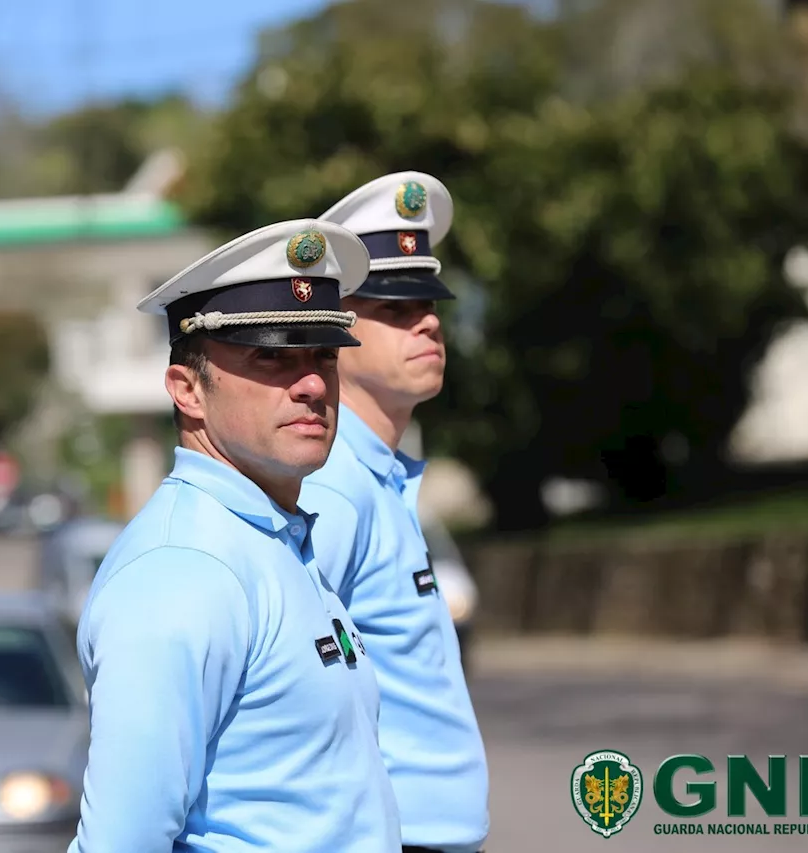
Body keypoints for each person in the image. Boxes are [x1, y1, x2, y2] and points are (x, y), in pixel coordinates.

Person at [68, 219, 402, 852]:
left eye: (322, 357)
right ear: (187, 390)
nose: (310, 385)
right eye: (271, 357)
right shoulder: (183, 570)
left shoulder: (266, 540)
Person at [299, 172, 490, 853]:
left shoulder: (376, 478)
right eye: (395, 308)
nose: (429, 320)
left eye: (429, 304)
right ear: (334, 330)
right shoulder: (331, 489)